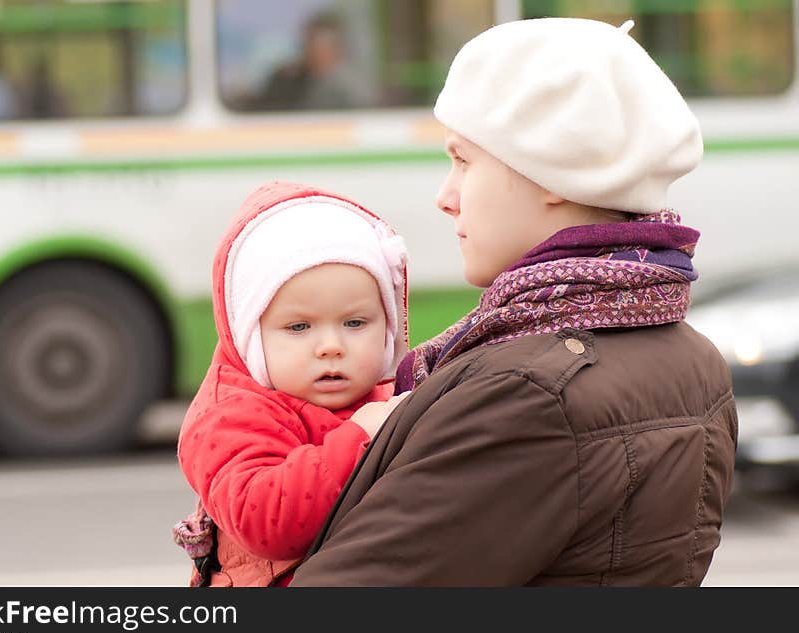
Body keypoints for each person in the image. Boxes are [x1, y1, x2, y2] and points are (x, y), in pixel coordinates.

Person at [290, 17, 738, 586]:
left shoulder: (528, 391)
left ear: (551, 170)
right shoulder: (691, 355)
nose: (445, 197)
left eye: (463, 161)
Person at [173, 181, 409, 586]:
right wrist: (359, 437)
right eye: (299, 327)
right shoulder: (231, 415)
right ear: (249, 333)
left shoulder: (388, 399)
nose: (332, 347)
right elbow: (265, 518)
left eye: (355, 323)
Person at [254, 13, 368, 110]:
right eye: (307, 43)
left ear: (336, 49)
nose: (307, 50)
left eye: (317, 44)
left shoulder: (351, 89)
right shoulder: (288, 80)